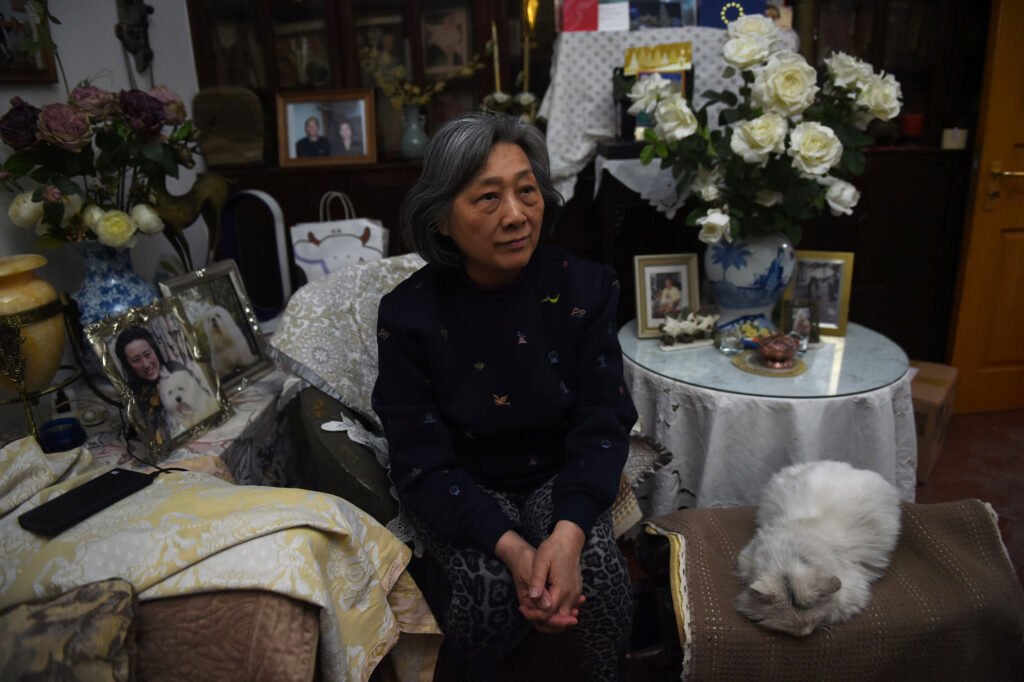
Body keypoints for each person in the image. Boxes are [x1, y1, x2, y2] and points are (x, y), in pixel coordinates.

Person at [372, 111, 637, 681]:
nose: (516, 215)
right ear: (442, 219)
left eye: (526, 191)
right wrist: (514, 550)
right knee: (488, 594)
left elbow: (603, 419)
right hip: (464, 483)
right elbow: (419, 458)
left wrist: (566, 535)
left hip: (555, 474)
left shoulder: (586, 288)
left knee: (600, 573)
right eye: (487, 198)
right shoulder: (408, 314)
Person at [114, 326, 171, 443]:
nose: (146, 364)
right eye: (136, 360)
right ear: (128, 365)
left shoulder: (177, 371)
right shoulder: (134, 399)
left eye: (147, 354)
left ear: (155, 351)